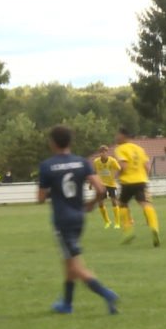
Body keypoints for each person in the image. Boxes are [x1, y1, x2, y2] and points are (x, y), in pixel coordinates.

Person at [37, 125, 119, 315]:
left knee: (75, 265)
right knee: (69, 261)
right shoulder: (82, 162)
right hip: (79, 218)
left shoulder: (47, 165)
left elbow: (40, 198)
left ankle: (106, 293)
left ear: (52, 143)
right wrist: (91, 204)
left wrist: (52, 189)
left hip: (62, 220)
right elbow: (101, 189)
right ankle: (67, 304)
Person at [114, 126, 161, 247]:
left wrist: (116, 175)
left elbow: (123, 166)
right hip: (141, 181)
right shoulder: (139, 149)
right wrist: (146, 178)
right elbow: (147, 167)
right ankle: (154, 228)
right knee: (146, 204)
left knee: (122, 204)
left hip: (127, 182)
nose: (115, 137)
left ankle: (128, 231)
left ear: (123, 136)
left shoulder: (120, 149)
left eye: (117, 135)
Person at [92, 145, 121, 228]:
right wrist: (92, 184)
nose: (102, 153)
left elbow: (119, 169)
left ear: (107, 152)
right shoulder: (96, 162)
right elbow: (94, 172)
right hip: (101, 185)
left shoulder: (112, 161)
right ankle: (107, 221)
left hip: (111, 184)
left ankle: (117, 223)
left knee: (114, 201)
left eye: (104, 151)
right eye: (101, 152)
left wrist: (115, 176)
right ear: (99, 153)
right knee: (100, 203)